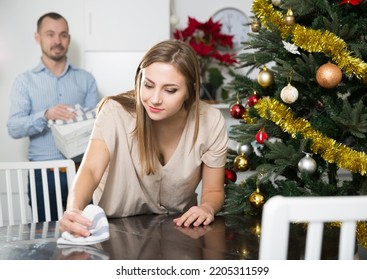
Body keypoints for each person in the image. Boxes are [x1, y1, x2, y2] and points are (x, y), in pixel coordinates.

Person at [59, 39, 229, 237]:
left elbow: (213, 191)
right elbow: (90, 170)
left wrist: (207, 207)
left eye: (170, 90)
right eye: (148, 85)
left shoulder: (211, 120)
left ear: (190, 90)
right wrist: (73, 210)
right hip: (115, 231)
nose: (155, 99)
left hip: (178, 231)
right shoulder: (114, 112)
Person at [7, 12, 100, 222]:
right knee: (46, 240)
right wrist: (45, 115)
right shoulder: (24, 82)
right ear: (38, 37)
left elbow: (98, 129)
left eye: (63, 35)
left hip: (81, 173)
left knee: (87, 234)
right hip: (42, 175)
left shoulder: (86, 80)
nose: (57, 41)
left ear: (68, 38)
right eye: (50, 34)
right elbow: (13, 128)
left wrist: (82, 121)